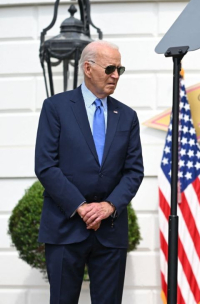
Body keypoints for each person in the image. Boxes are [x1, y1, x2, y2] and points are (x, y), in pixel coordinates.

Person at [35, 40, 144, 303]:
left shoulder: (127, 116)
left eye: (120, 69)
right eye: (110, 69)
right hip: (65, 226)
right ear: (87, 68)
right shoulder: (56, 108)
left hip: (111, 230)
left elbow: (134, 171)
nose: (116, 75)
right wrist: (81, 207)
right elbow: (46, 165)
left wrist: (108, 206)